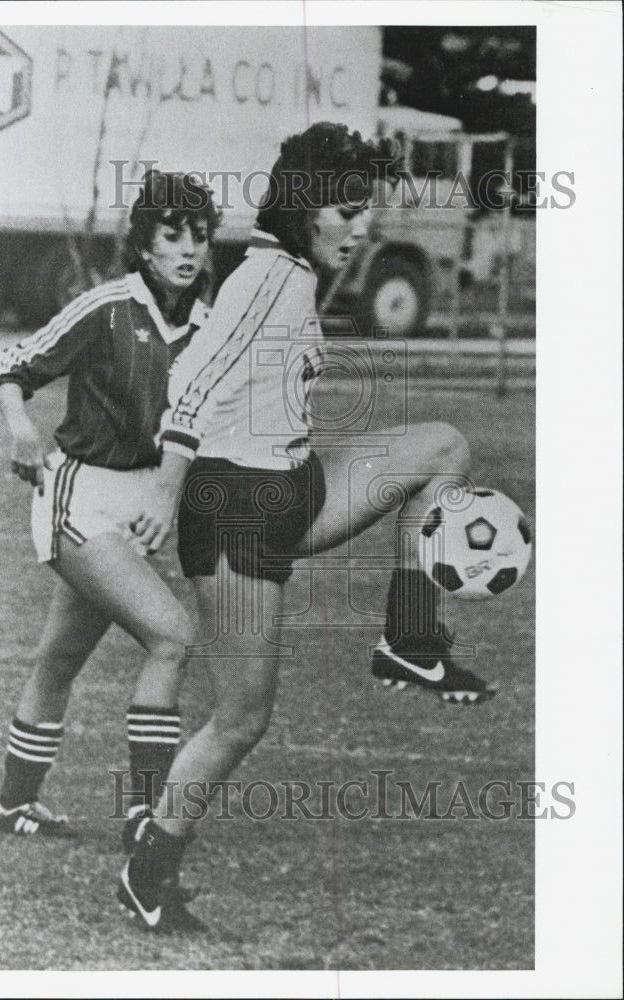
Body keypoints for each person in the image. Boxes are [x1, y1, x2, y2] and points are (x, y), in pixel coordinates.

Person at [117, 122, 496, 932]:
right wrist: (165, 487)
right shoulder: (268, 275)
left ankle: (410, 639)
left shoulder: (290, 272)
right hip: (233, 510)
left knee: (442, 448)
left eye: (365, 210)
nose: (360, 229)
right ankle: (148, 876)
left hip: (293, 486)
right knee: (242, 718)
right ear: (304, 209)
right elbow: (194, 378)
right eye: (348, 210)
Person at [0, 171, 221, 837]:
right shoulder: (107, 307)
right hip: (77, 500)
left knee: (59, 660)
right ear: (143, 247)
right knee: (171, 637)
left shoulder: (209, 330)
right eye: (171, 236)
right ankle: (148, 815)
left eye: (198, 237)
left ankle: (13, 804)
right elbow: (12, 368)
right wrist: (22, 430)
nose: (187, 249)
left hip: (140, 512)